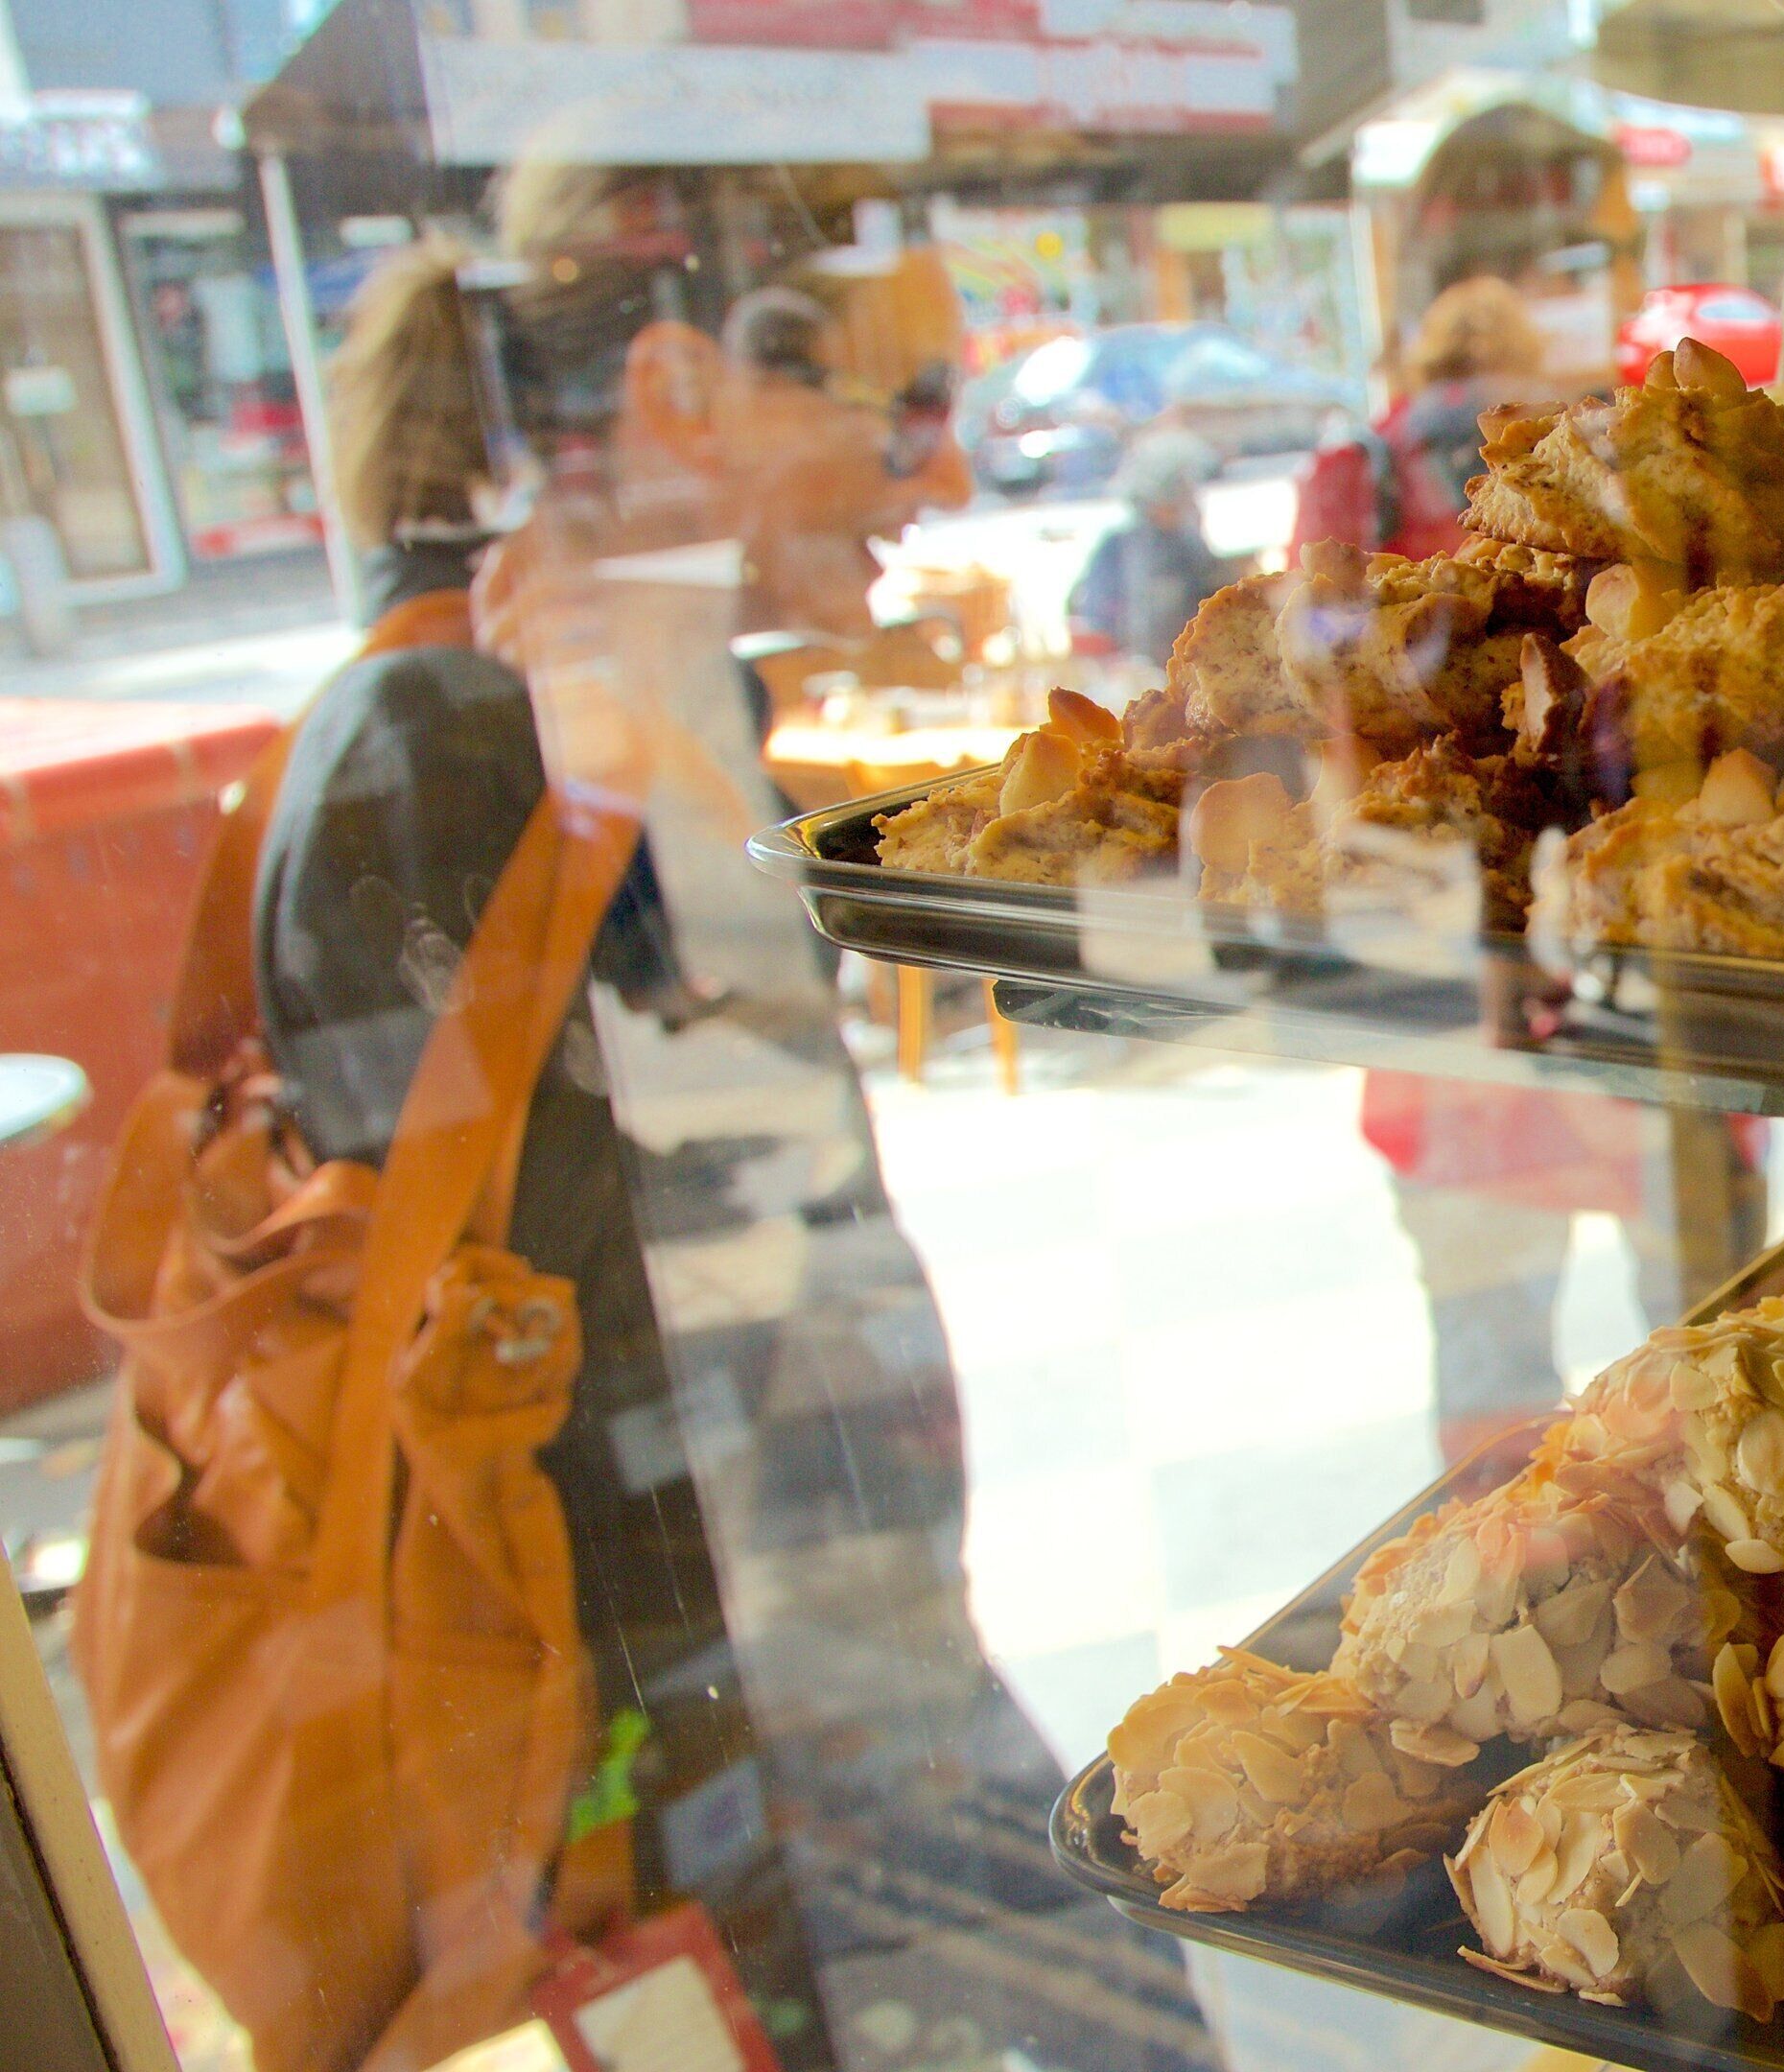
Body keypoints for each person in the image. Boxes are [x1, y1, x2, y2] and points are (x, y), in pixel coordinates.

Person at [246, 163, 1213, 2071]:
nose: (942, 479)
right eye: (900, 408)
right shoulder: (448, 748)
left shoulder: (631, 716)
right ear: (689, 390)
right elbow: (573, 1350)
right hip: (694, 1743)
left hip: (828, 1675)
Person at [1288, 275, 1556, 564]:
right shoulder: (1551, 452)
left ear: (1425, 360)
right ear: (1527, 360)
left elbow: (1304, 591)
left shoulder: (1362, 457)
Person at [1068, 430, 1226, 665]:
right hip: (1139, 672)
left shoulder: (1189, 546)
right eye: (1183, 494)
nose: (1191, 504)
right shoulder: (1119, 548)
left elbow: (1216, 605)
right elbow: (1095, 617)